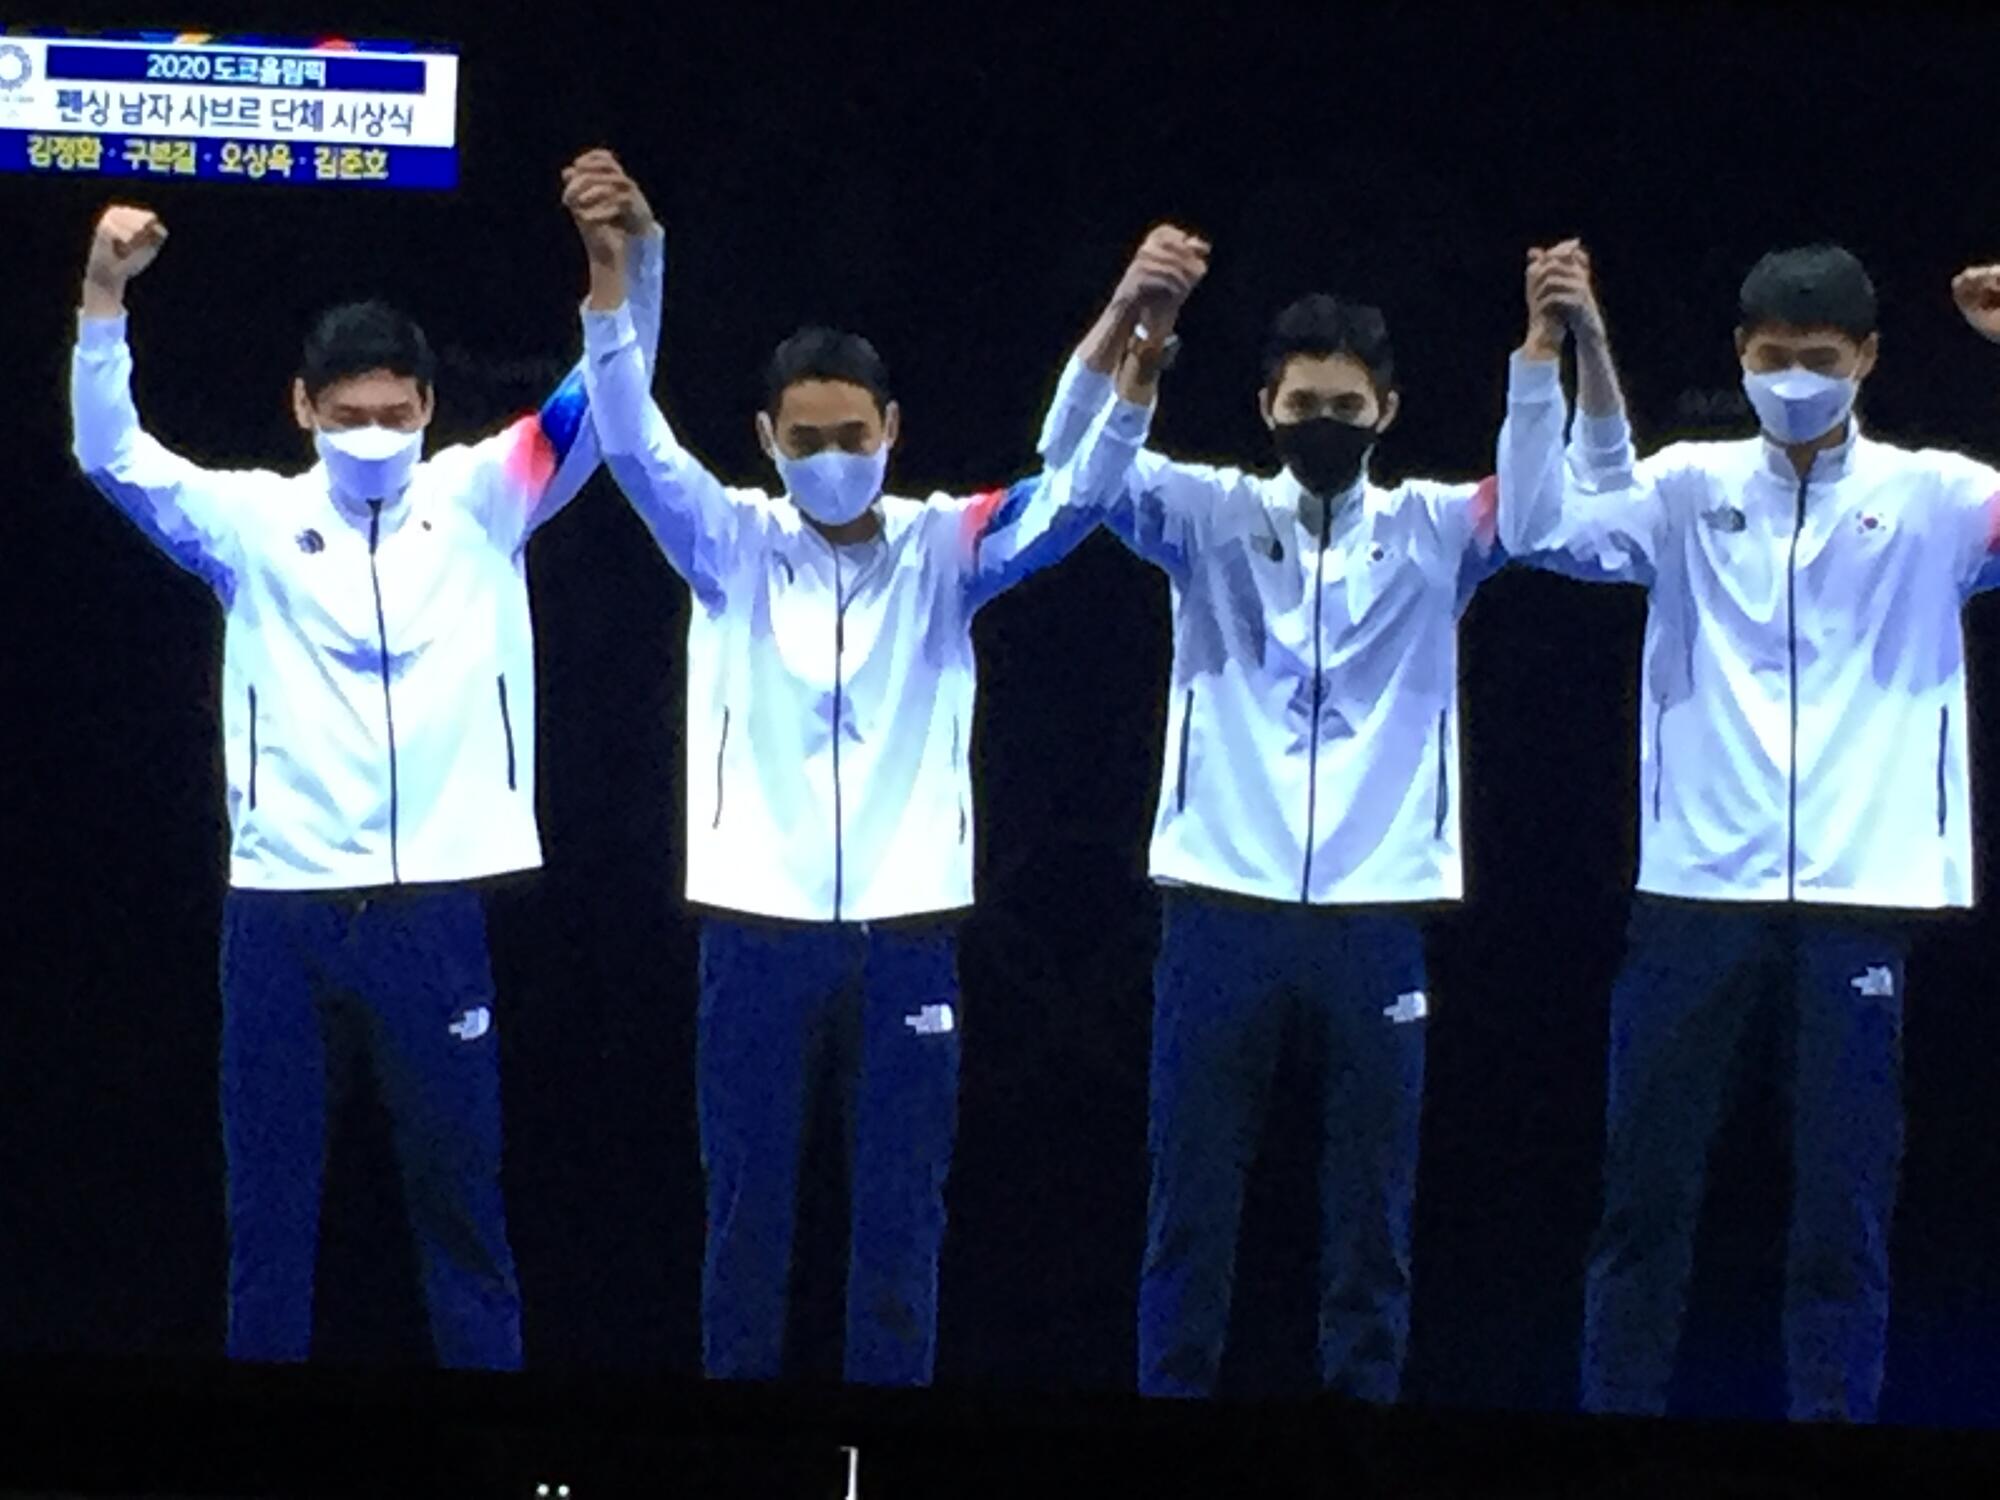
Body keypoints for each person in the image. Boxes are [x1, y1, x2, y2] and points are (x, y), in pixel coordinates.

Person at [574, 217, 1208, 1386]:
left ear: (892, 431)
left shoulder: (945, 546)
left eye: (851, 436)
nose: (830, 458)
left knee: (900, 1231)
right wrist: (613, 282)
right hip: (753, 936)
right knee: (746, 1226)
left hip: (907, 938)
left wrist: (1131, 364)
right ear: (764, 441)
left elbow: (1072, 500)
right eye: (805, 440)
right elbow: (627, 438)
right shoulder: (724, 539)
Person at [67, 150, 665, 1369]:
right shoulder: (249, 522)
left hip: (433, 912)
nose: (375, 437)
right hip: (279, 916)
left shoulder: (488, 495)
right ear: (302, 410)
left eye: (395, 415)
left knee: (464, 1222)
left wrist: (627, 268)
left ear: (430, 408)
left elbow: (611, 406)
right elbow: (111, 455)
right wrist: (102, 299)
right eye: (348, 418)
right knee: (269, 1227)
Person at [1045, 233, 1574, 1400]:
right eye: (1301, 405)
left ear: (1385, 410)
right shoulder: (1205, 512)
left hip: (1377, 915)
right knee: (1189, 1207)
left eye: (1343, 406)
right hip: (1217, 910)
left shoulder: (1440, 526)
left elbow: (1541, 516)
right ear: (1264, 409)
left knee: (1369, 1218)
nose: (1321, 423)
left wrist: (1539, 355)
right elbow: (1070, 477)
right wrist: (1126, 329)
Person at [1499, 240, 2000, 1421]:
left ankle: (1832, 1431)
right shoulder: (1687, 486)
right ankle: (1612, 1428)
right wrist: (1556, 352)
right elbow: (1536, 526)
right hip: (1692, 896)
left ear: (1865, 358)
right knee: (1642, 1201)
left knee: (1840, 1215)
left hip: (1859, 899)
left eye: (1816, 357)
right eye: (1770, 358)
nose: (1792, 379)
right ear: (1737, 352)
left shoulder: (1933, 498)